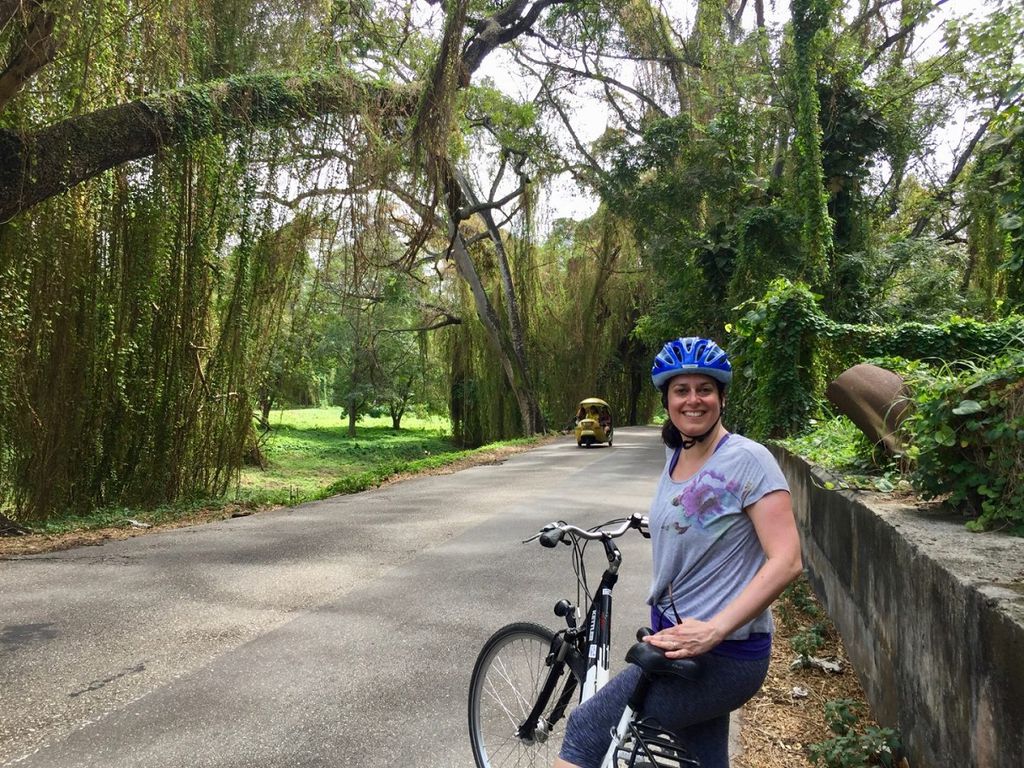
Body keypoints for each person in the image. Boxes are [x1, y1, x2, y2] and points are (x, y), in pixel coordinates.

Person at [554, 336, 803, 768]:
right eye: (681, 390)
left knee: (587, 731)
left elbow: (787, 559)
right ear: (667, 399)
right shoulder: (677, 452)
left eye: (704, 389)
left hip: (719, 654)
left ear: (722, 397)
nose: (693, 400)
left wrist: (716, 629)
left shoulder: (749, 461)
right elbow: (698, 515)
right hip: (679, 640)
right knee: (701, 759)